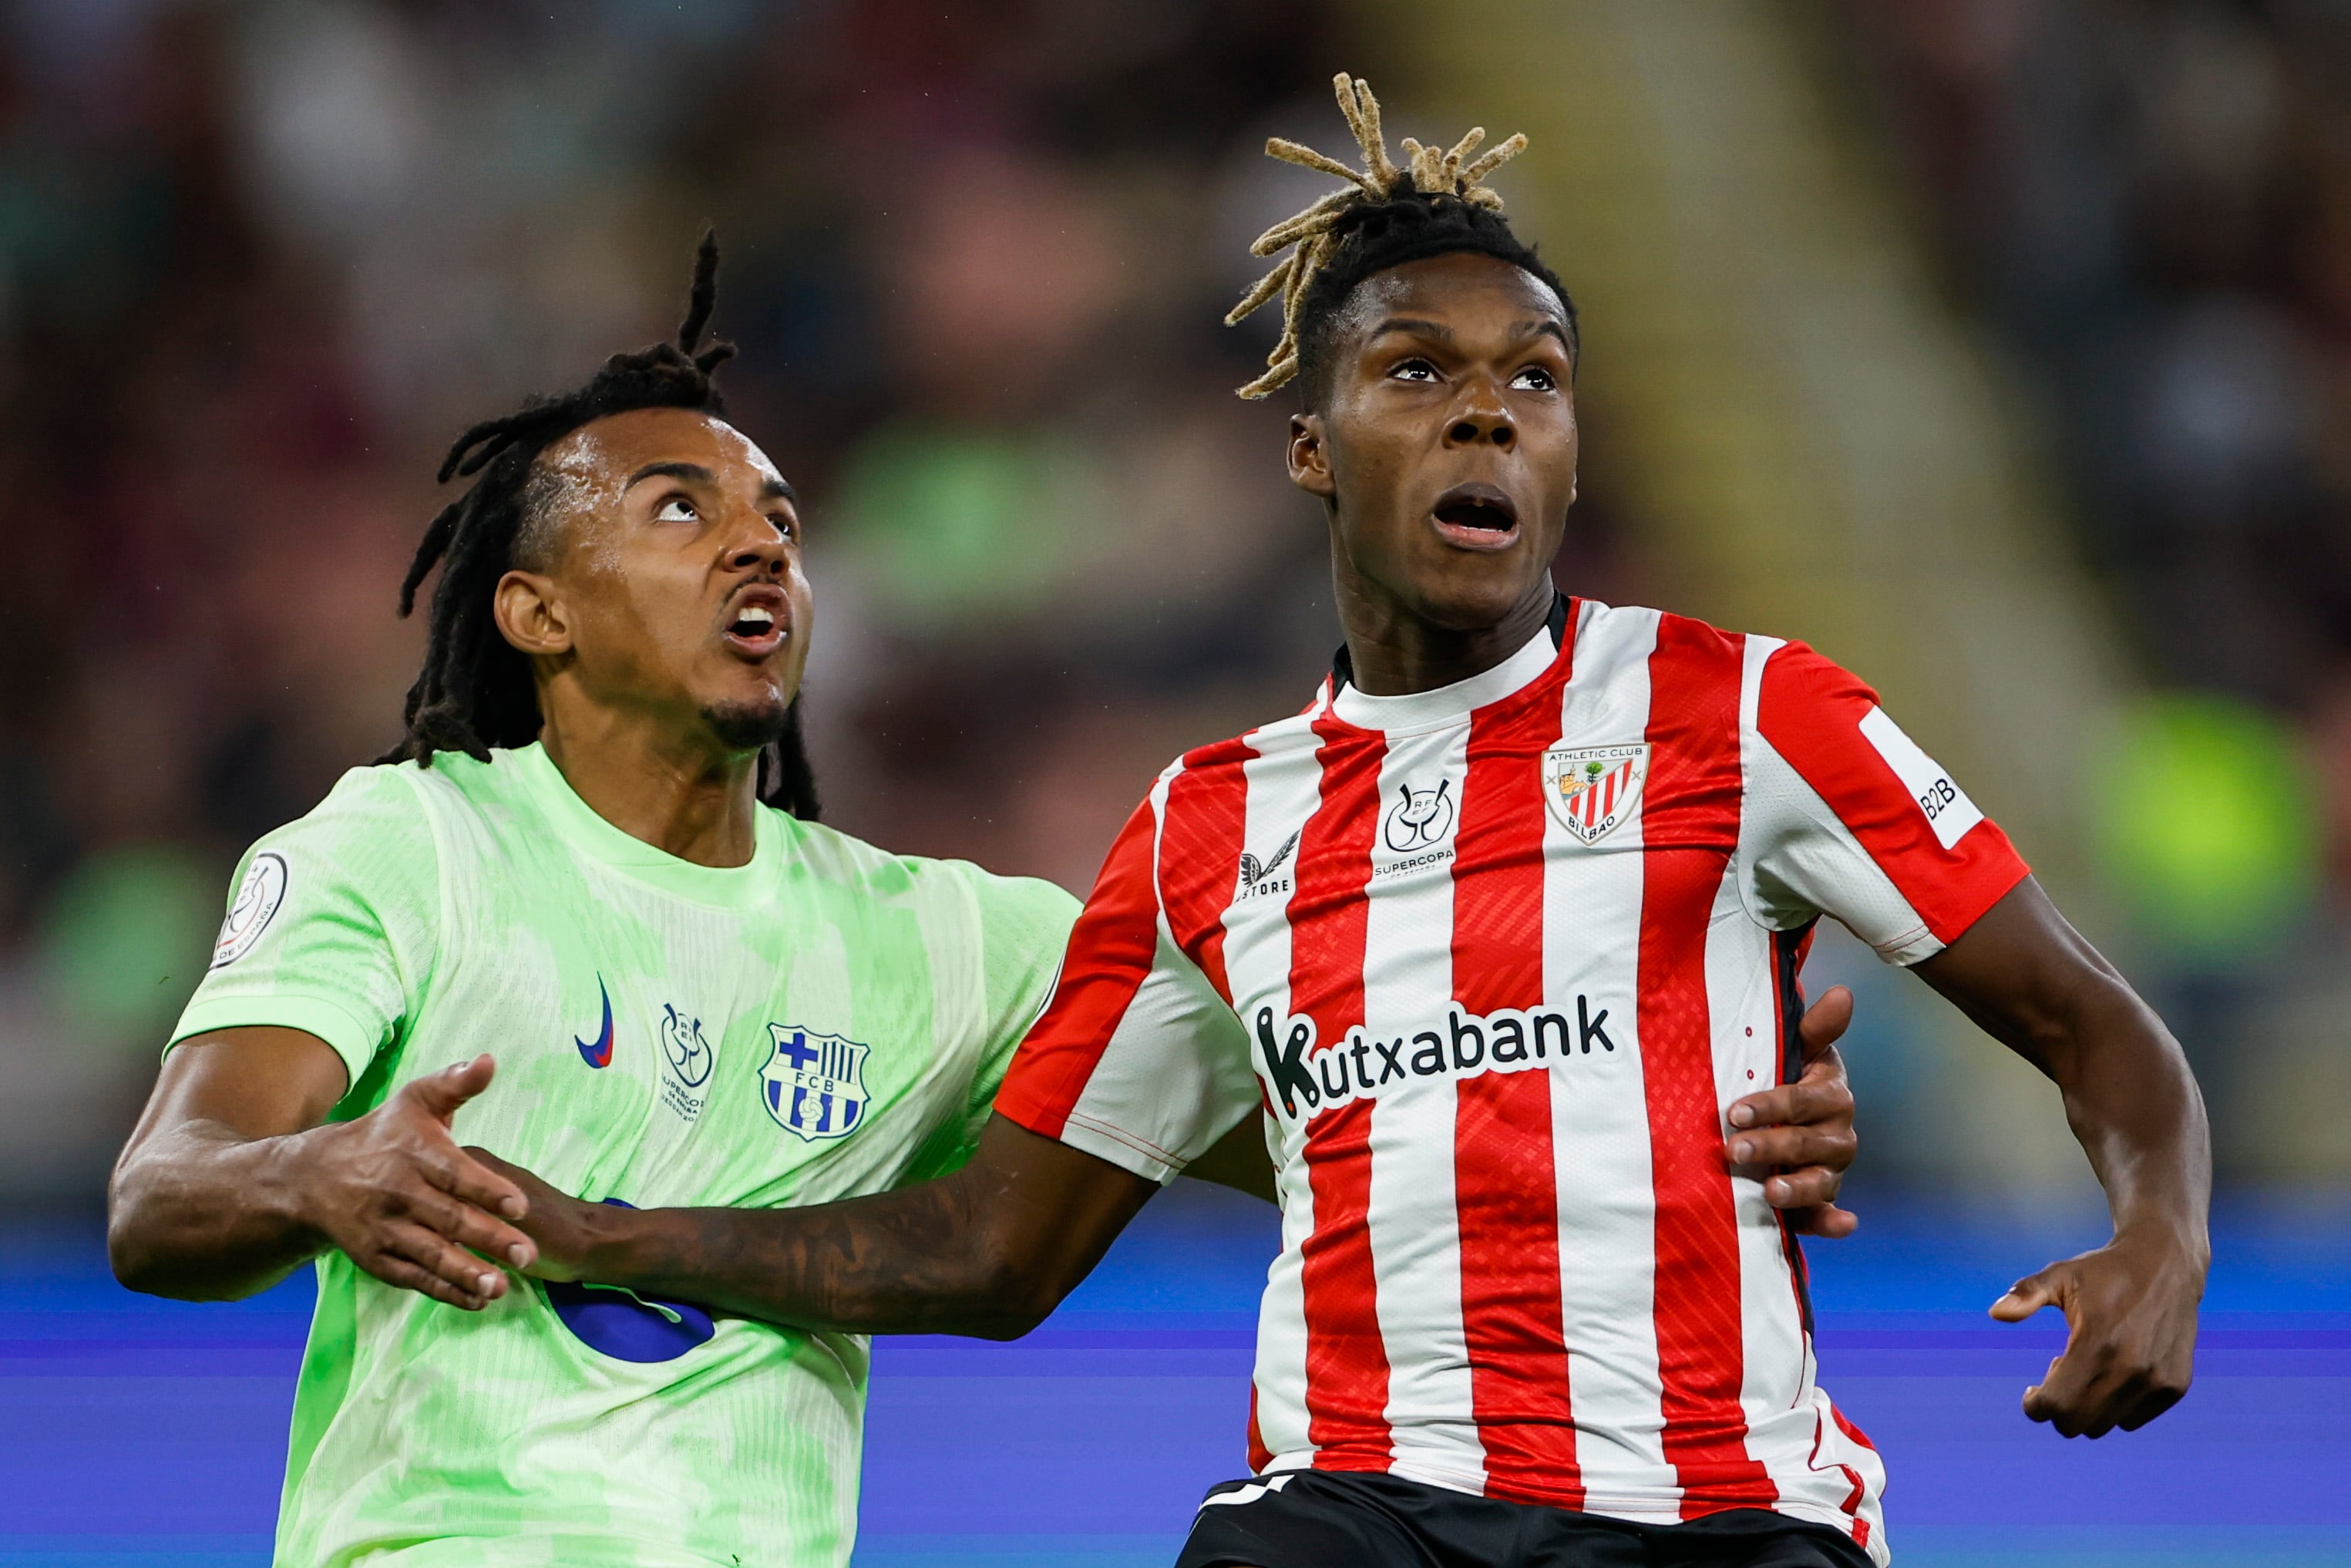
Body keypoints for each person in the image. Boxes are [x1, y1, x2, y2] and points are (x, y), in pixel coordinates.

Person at [479, 79, 2211, 1568]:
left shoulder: (1746, 713)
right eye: (1416, 371)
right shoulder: (1207, 827)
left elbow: (2090, 1025)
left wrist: (2159, 1233)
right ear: (1311, 447)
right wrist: (599, 1233)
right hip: (1356, 1504)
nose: (1485, 409)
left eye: (1534, 380)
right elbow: (994, 1248)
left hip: (1716, 1509)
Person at [99, 232, 1872, 1565]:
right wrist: (313, 1173)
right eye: (677, 506)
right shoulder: (407, 846)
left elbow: (1389, 1121)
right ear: (535, 612)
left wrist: (1694, 1112)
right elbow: (163, 1198)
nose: (758, 547)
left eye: (782, 522)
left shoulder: (946, 940)